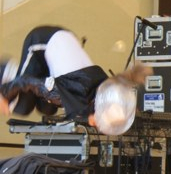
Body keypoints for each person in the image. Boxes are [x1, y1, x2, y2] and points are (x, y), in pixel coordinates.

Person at [0, 26, 151, 135]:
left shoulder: (103, 88)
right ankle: (5, 71)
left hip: (65, 44)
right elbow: (26, 81)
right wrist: (4, 95)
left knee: (47, 109)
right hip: (42, 41)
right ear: (93, 119)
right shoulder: (63, 92)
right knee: (23, 105)